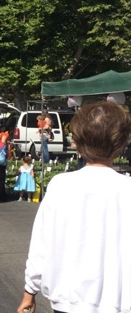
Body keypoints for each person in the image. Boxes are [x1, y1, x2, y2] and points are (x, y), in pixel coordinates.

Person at [17, 101, 131, 313]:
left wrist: (29, 291)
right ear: (122, 143)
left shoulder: (61, 185)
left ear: (76, 141)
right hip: (120, 301)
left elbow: (41, 245)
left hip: (69, 300)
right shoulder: (127, 189)